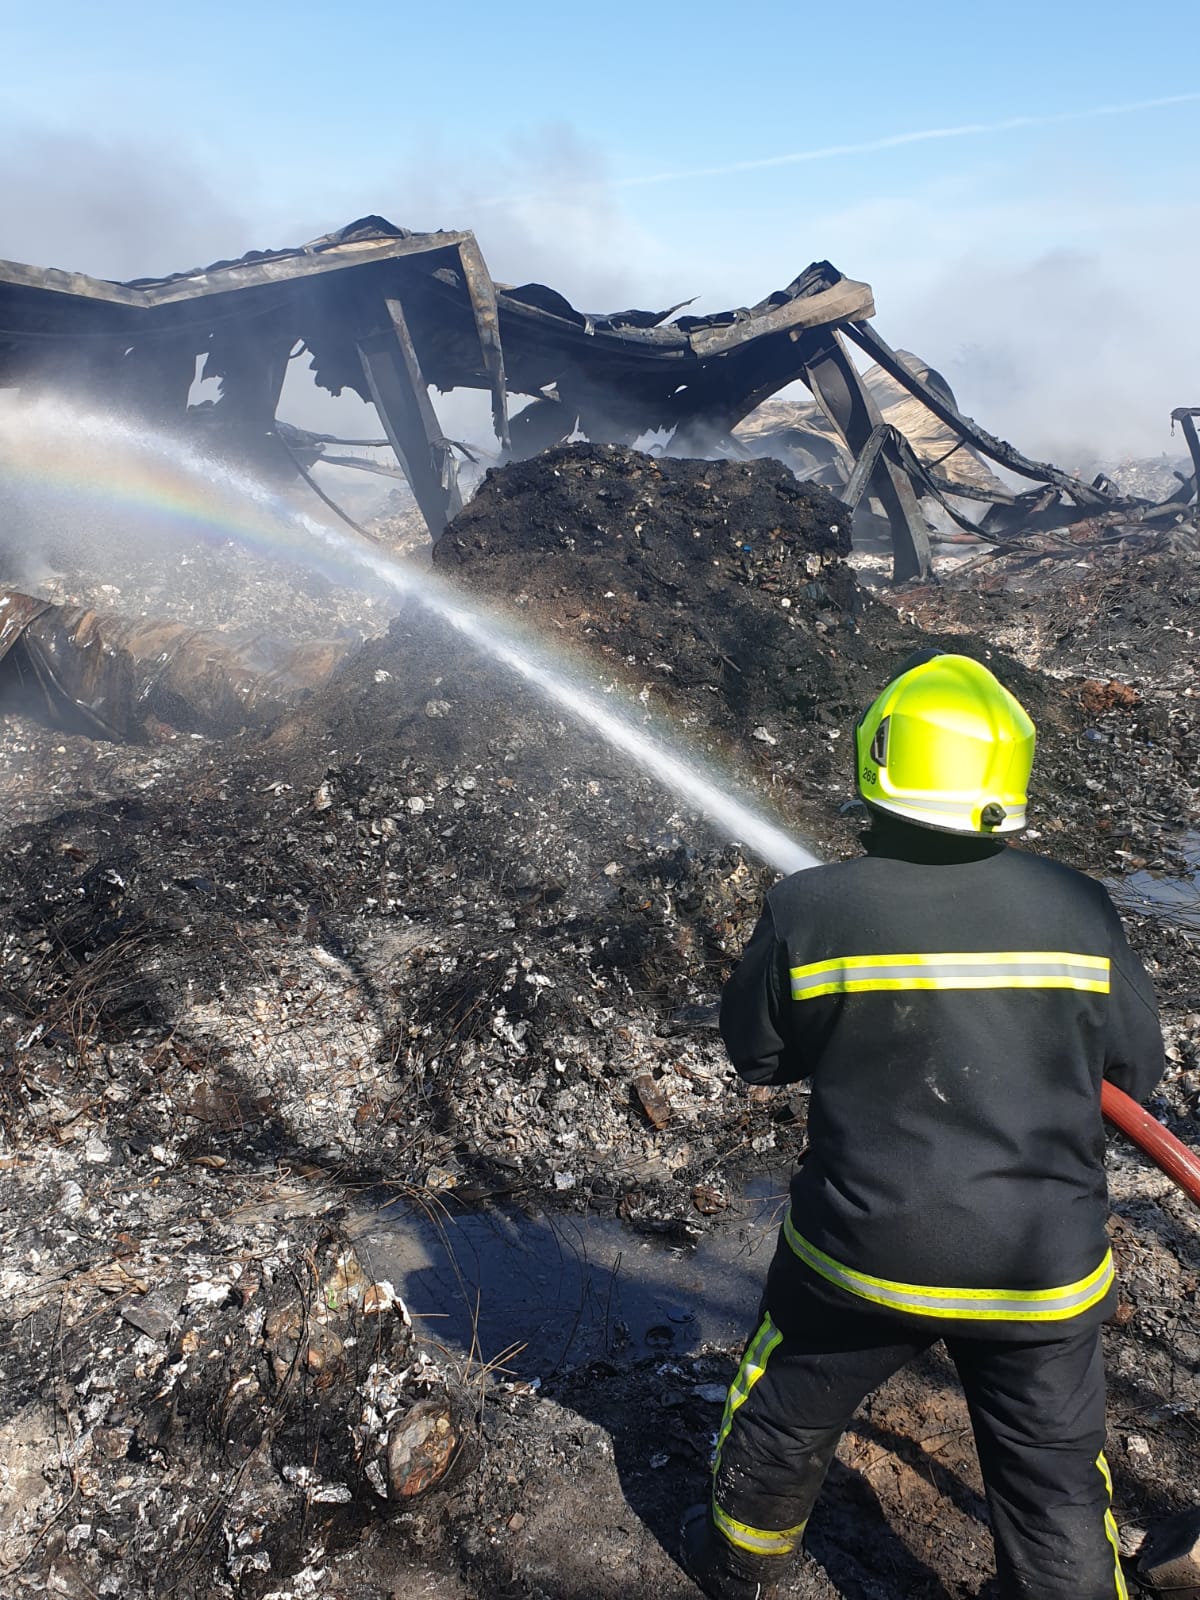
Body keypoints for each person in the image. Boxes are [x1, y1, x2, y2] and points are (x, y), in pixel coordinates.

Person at [681, 652, 1164, 1600]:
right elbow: (1132, 1070)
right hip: (1042, 1273)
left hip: (862, 1257)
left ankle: (735, 1565)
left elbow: (761, 1057)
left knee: (780, 1416)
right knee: (1058, 1485)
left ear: (878, 760)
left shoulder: (808, 908)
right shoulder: (1080, 910)